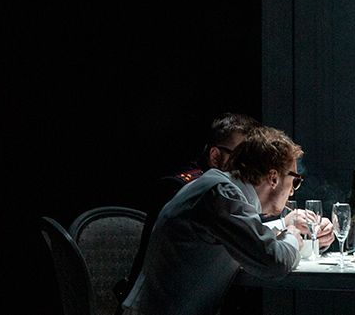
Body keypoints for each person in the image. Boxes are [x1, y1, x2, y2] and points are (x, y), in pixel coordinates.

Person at [117, 113, 332, 310]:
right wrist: (292, 236)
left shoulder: (220, 188)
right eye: (295, 181)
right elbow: (274, 263)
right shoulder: (221, 194)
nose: (292, 192)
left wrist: (285, 224)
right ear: (273, 178)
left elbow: (241, 234)